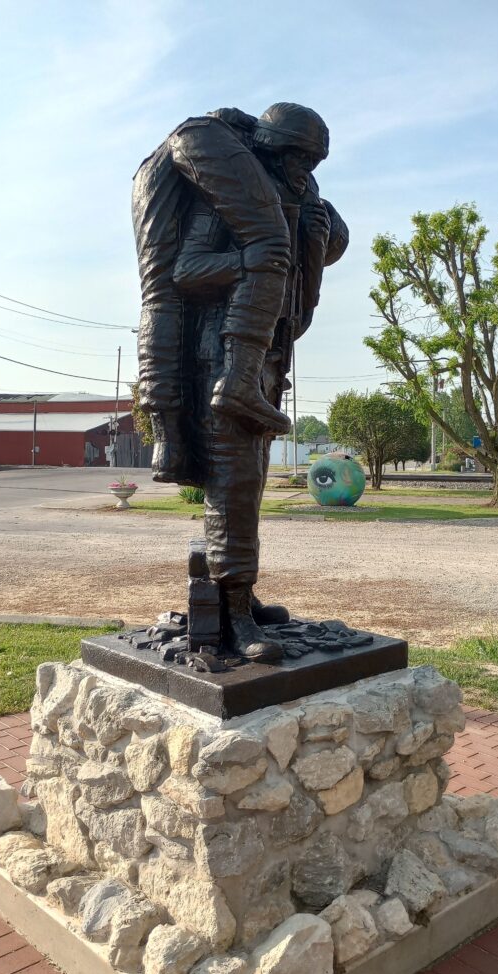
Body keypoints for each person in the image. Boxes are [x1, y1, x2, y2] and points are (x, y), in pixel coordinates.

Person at [132, 103, 347, 661]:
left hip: (267, 355)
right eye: (297, 158)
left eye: (312, 162)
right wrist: (250, 263)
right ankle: (233, 616)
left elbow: (322, 249)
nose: (304, 170)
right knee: (232, 480)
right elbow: (184, 271)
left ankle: (240, 595)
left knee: (248, 484)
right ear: (270, 150)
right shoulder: (224, 206)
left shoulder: (288, 200)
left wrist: (316, 237)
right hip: (220, 357)